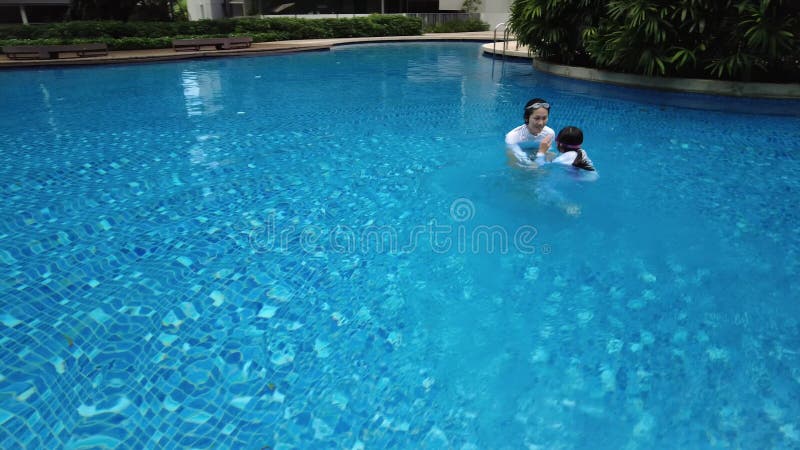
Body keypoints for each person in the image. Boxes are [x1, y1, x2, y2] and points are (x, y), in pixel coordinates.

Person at [505, 98, 556, 167]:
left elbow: (547, 153)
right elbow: (524, 162)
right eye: (536, 118)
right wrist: (540, 154)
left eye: (544, 118)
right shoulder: (513, 137)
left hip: (536, 155)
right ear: (526, 118)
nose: (541, 123)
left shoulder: (549, 133)